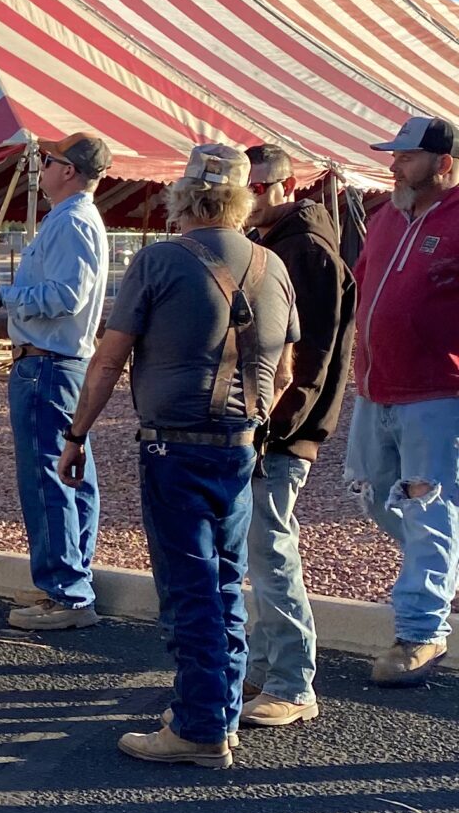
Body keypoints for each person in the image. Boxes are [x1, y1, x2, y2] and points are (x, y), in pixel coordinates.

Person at [62, 144, 297, 768]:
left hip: (175, 444)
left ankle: (199, 726)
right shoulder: (273, 266)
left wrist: (77, 434)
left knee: (188, 584)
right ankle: (217, 710)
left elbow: (108, 361)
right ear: (245, 198)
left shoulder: (159, 261)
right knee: (224, 579)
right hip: (241, 444)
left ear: (183, 197)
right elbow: (287, 367)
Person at [0, 133, 113, 633]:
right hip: (61, 362)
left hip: (47, 362)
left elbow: (66, 296)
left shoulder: (70, 222)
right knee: (72, 470)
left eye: (49, 161)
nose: (42, 167)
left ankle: (66, 591)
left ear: (68, 170)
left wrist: (0, 294)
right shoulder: (76, 220)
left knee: (47, 474)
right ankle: (71, 577)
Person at [239, 142, 356, 725]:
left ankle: (292, 681)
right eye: (247, 184)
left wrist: (271, 428)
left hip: (281, 432)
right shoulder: (278, 245)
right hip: (275, 428)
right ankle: (265, 670)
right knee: (262, 555)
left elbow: (309, 358)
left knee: (273, 553)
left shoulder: (305, 251)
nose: (251, 195)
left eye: (261, 186)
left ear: (287, 186)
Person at [346, 113, 459, 685]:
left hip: (437, 393)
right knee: (372, 497)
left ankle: (421, 632)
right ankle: (443, 566)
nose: (394, 164)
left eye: (406, 156)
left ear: (443, 164)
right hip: (375, 388)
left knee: (427, 505)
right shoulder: (386, 216)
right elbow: (365, 288)